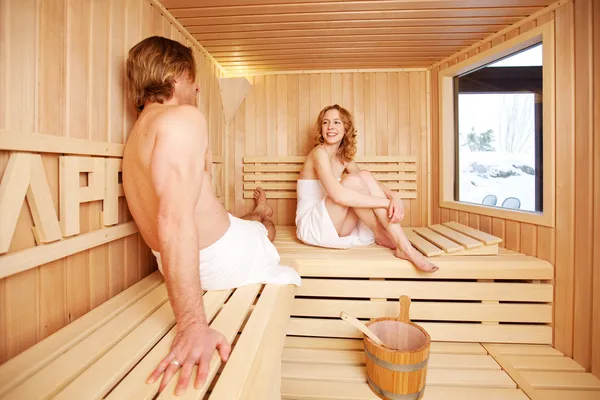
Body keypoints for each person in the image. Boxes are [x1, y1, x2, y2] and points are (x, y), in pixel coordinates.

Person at [122, 36, 300, 396]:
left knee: (242, 222)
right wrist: (192, 326)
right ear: (174, 77)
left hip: (172, 261)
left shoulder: (137, 134)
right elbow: (173, 221)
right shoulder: (182, 119)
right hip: (219, 260)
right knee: (265, 231)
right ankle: (261, 216)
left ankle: (252, 216)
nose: (198, 87)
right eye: (193, 77)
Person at [295, 104, 438, 273]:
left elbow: (368, 180)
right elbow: (338, 196)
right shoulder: (319, 153)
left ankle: (400, 245)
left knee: (364, 176)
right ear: (321, 128)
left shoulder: (342, 157)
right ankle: (402, 246)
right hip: (313, 226)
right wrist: (386, 203)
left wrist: (393, 195)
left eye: (337, 122)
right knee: (353, 182)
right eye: (325, 123)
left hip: (336, 226)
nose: (330, 127)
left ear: (346, 128)